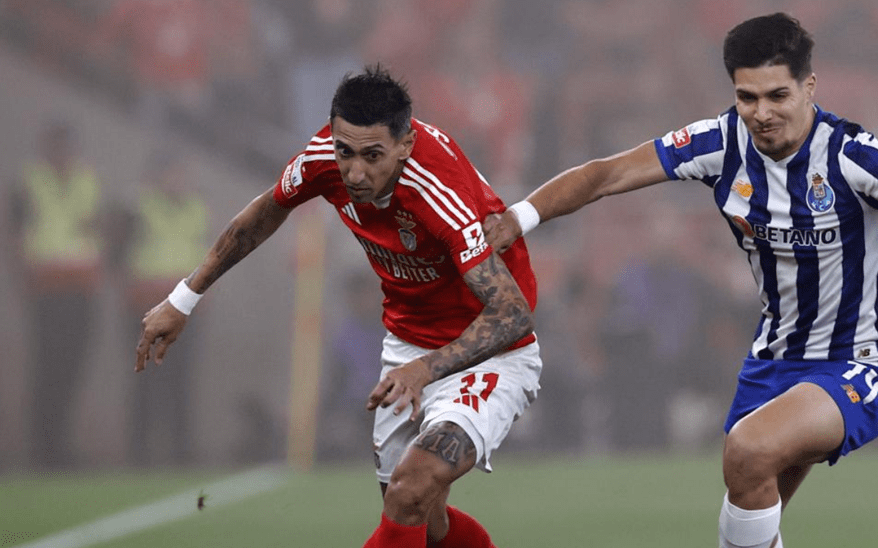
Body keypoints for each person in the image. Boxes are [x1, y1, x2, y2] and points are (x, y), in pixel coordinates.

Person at [484, 13, 878, 548]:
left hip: (860, 360)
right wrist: (520, 217)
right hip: (771, 362)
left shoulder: (852, 156)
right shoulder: (718, 144)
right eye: (747, 97)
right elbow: (606, 174)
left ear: (809, 87)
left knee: (748, 452)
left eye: (778, 95)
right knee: (747, 507)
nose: (762, 113)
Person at [136, 66, 540, 548]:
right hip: (408, 346)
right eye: (345, 152)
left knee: (411, 489)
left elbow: (512, 313)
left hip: (487, 352)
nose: (354, 172)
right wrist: (184, 298)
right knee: (423, 519)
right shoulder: (322, 157)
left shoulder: (438, 194)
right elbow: (267, 210)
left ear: (405, 145)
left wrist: (426, 369)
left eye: (373, 156)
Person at [10, 120, 106, 469]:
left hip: (82, 287)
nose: (66, 154)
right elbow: (17, 233)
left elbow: (95, 227)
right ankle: (42, 446)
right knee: (46, 367)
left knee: (72, 367)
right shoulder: (31, 182)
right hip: (47, 287)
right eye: (59, 147)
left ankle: (61, 443)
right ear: (47, 147)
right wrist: (22, 277)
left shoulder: (87, 179)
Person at [122, 150, 209, 466]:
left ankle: (181, 451)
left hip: (185, 308)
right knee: (145, 378)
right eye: (171, 173)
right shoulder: (139, 206)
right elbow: (119, 250)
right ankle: (140, 453)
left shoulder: (196, 207)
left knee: (181, 380)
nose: (178, 181)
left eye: (182, 174)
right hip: (146, 306)